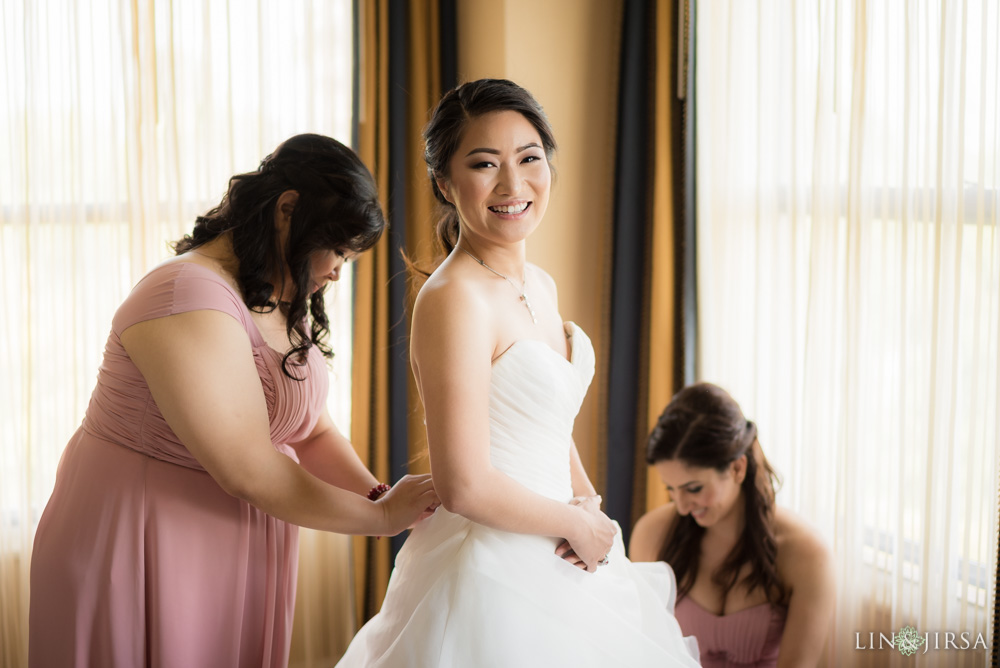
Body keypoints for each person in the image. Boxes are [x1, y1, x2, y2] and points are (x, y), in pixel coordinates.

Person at [28, 134, 439, 668]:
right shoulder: (185, 293)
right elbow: (245, 468)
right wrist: (380, 520)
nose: (339, 270)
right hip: (143, 542)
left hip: (231, 549)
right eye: (336, 249)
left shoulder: (272, 295)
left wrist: (379, 497)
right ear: (287, 209)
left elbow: (311, 431)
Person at [335, 79, 700, 667]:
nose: (513, 185)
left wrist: (589, 507)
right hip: (492, 566)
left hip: (563, 544)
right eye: (484, 164)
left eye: (529, 159)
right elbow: (464, 484)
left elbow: (549, 422)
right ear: (445, 183)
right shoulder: (454, 299)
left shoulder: (540, 284)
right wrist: (572, 524)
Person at [630, 382, 835, 668]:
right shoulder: (652, 534)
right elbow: (645, 650)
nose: (681, 506)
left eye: (694, 488)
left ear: (738, 468)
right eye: (671, 489)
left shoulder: (805, 552)